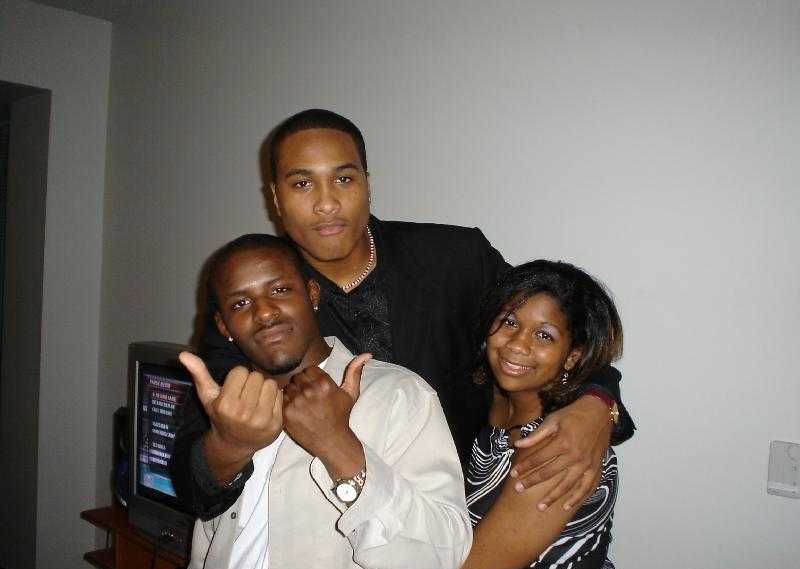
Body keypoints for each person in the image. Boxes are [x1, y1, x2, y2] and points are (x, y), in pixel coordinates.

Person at [172, 109, 635, 522]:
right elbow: (194, 481)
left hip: (470, 518)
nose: (326, 203)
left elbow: (558, 329)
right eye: (302, 183)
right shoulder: (258, 313)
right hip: (343, 539)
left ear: (368, 183)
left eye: (344, 179)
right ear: (276, 198)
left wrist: (597, 404)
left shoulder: (455, 259)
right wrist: (229, 446)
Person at [179, 234, 471, 569]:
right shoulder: (229, 408)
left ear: (312, 294)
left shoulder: (398, 396)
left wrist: (336, 444)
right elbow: (208, 549)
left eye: (280, 290)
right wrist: (229, 444)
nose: (264, 312)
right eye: (240, 303)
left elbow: (443, 561)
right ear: (224, 326)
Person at [440, 260, 632, 569]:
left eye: (544, 335)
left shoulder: (559, 449)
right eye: (510, 322)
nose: (517, 344)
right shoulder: (485, 392)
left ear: (572, 356)